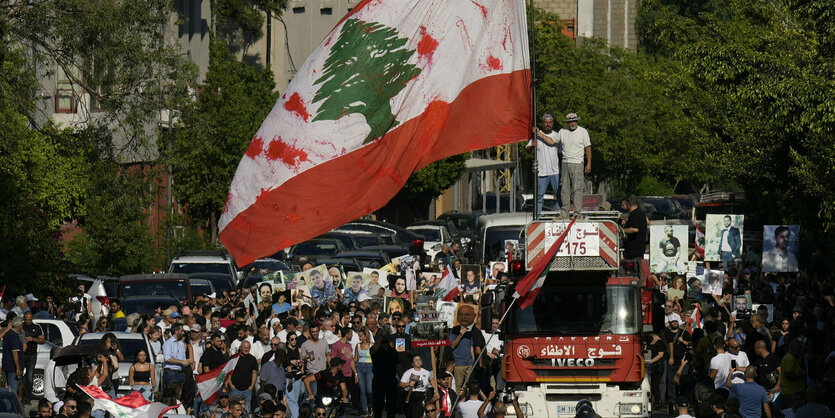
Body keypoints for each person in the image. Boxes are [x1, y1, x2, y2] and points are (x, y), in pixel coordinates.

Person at [556, 112, 591, 217]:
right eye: (570, 122)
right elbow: (552, 141)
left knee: (578, 188)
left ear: (577, 121)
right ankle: (564, 212)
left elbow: (588, 147)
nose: (572, 123)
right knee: (564, 189)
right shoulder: (562, 131)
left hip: (577, 162)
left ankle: (577, 212)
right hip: (565, 162)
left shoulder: (583, 131)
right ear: (568, 122)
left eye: (574, 121)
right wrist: (539, 134)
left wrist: (589, 163)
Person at [528, 113, 562, 214]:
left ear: (552, 123)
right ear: (543, 123)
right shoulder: (535, 135)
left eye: (550, 122)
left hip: (555, 172)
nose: (548, 124)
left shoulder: (556, 135)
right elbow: (528, 150)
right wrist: (532, 146)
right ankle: (537, 216)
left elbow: (560, 154)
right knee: (539, 197)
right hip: (541, 172)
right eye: (546, 122)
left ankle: (562, 215)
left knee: (559, 196)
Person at [448, 304, 484, 395]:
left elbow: (472, 348)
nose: (463, 317)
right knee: (459, 388)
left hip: (469, 364)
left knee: (470, 387)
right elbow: (452, 345)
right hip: (459, 364)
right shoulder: (454, 330)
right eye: (460, 314)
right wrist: (460, 335)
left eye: (467, 315)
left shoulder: (473, 331)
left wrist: (474, 362)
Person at [21, 311, 45, 402]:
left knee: (29, 377)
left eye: (29, 319)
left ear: (32, 318)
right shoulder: (21, 326)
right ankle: (20, 395)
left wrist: (33, 339)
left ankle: (28, 397)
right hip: (22, 354)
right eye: (26, 319)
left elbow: (42, 340)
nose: (27, 321)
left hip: (32, 354)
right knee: (19, 376)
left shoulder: (36, 327)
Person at [228, 340, 258, 410]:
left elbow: (254, 373)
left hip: (247, 389)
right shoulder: (234, 358)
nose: (246, 349)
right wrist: (231, 385)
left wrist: (251, 386)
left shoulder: (252, 359)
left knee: (247, 410)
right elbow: (228, 372)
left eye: (248, 348)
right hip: (235, 389)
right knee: (234, 408)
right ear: (240, 347)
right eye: (244, 347)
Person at [162, 324, 193, 390]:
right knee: (171, 395)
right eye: (181, 331)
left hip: (181, 373)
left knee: (179, 396)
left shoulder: (181, 343)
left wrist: (187, 362)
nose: (183, 333)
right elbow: (167, 358)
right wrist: (182, 362)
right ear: (176, 331)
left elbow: (183, 358)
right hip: (171, 373)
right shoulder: (168, 343)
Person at [353, 327, 374, 416]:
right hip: (360, 367)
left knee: (369, 390)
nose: (359, 338)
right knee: (362, 390)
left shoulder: (372, 345)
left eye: (361, 336)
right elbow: (355, 359)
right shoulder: (358, 345)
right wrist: (355, 373)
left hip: (370, 367)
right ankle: (365, 410)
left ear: (365, 336)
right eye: (359, 336)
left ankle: (370, 406)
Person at [2, 317, 24, 398]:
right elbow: (15, 353)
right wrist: (18, 368)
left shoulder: (8, 334)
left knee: (9, 389)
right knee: (12, 391)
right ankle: (10, 410)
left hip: (7, 366)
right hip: (12, 368)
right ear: (19, 325)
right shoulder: (14, 336)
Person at [621, 195, 647, 259]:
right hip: (639, 249)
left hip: (634, 250)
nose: (622, 207)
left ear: (628, 204)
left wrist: (622, 230)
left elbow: (635, 229)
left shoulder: (634, 214)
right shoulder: (640, 213)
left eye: (623, 205)